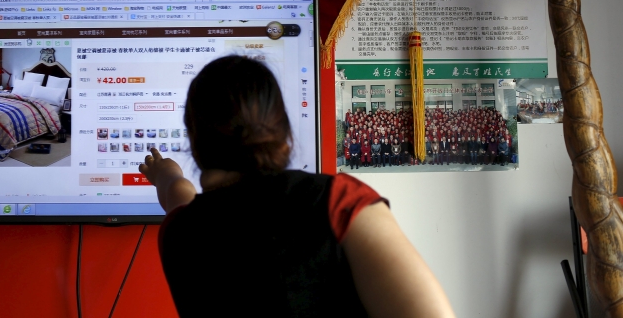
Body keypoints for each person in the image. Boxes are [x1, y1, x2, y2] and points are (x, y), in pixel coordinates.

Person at [139, 56, 454, 318]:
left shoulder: (179, 231)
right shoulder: (338, 201)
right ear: (283, 131)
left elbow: (178, 195)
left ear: (194, 140)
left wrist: (166, 175)